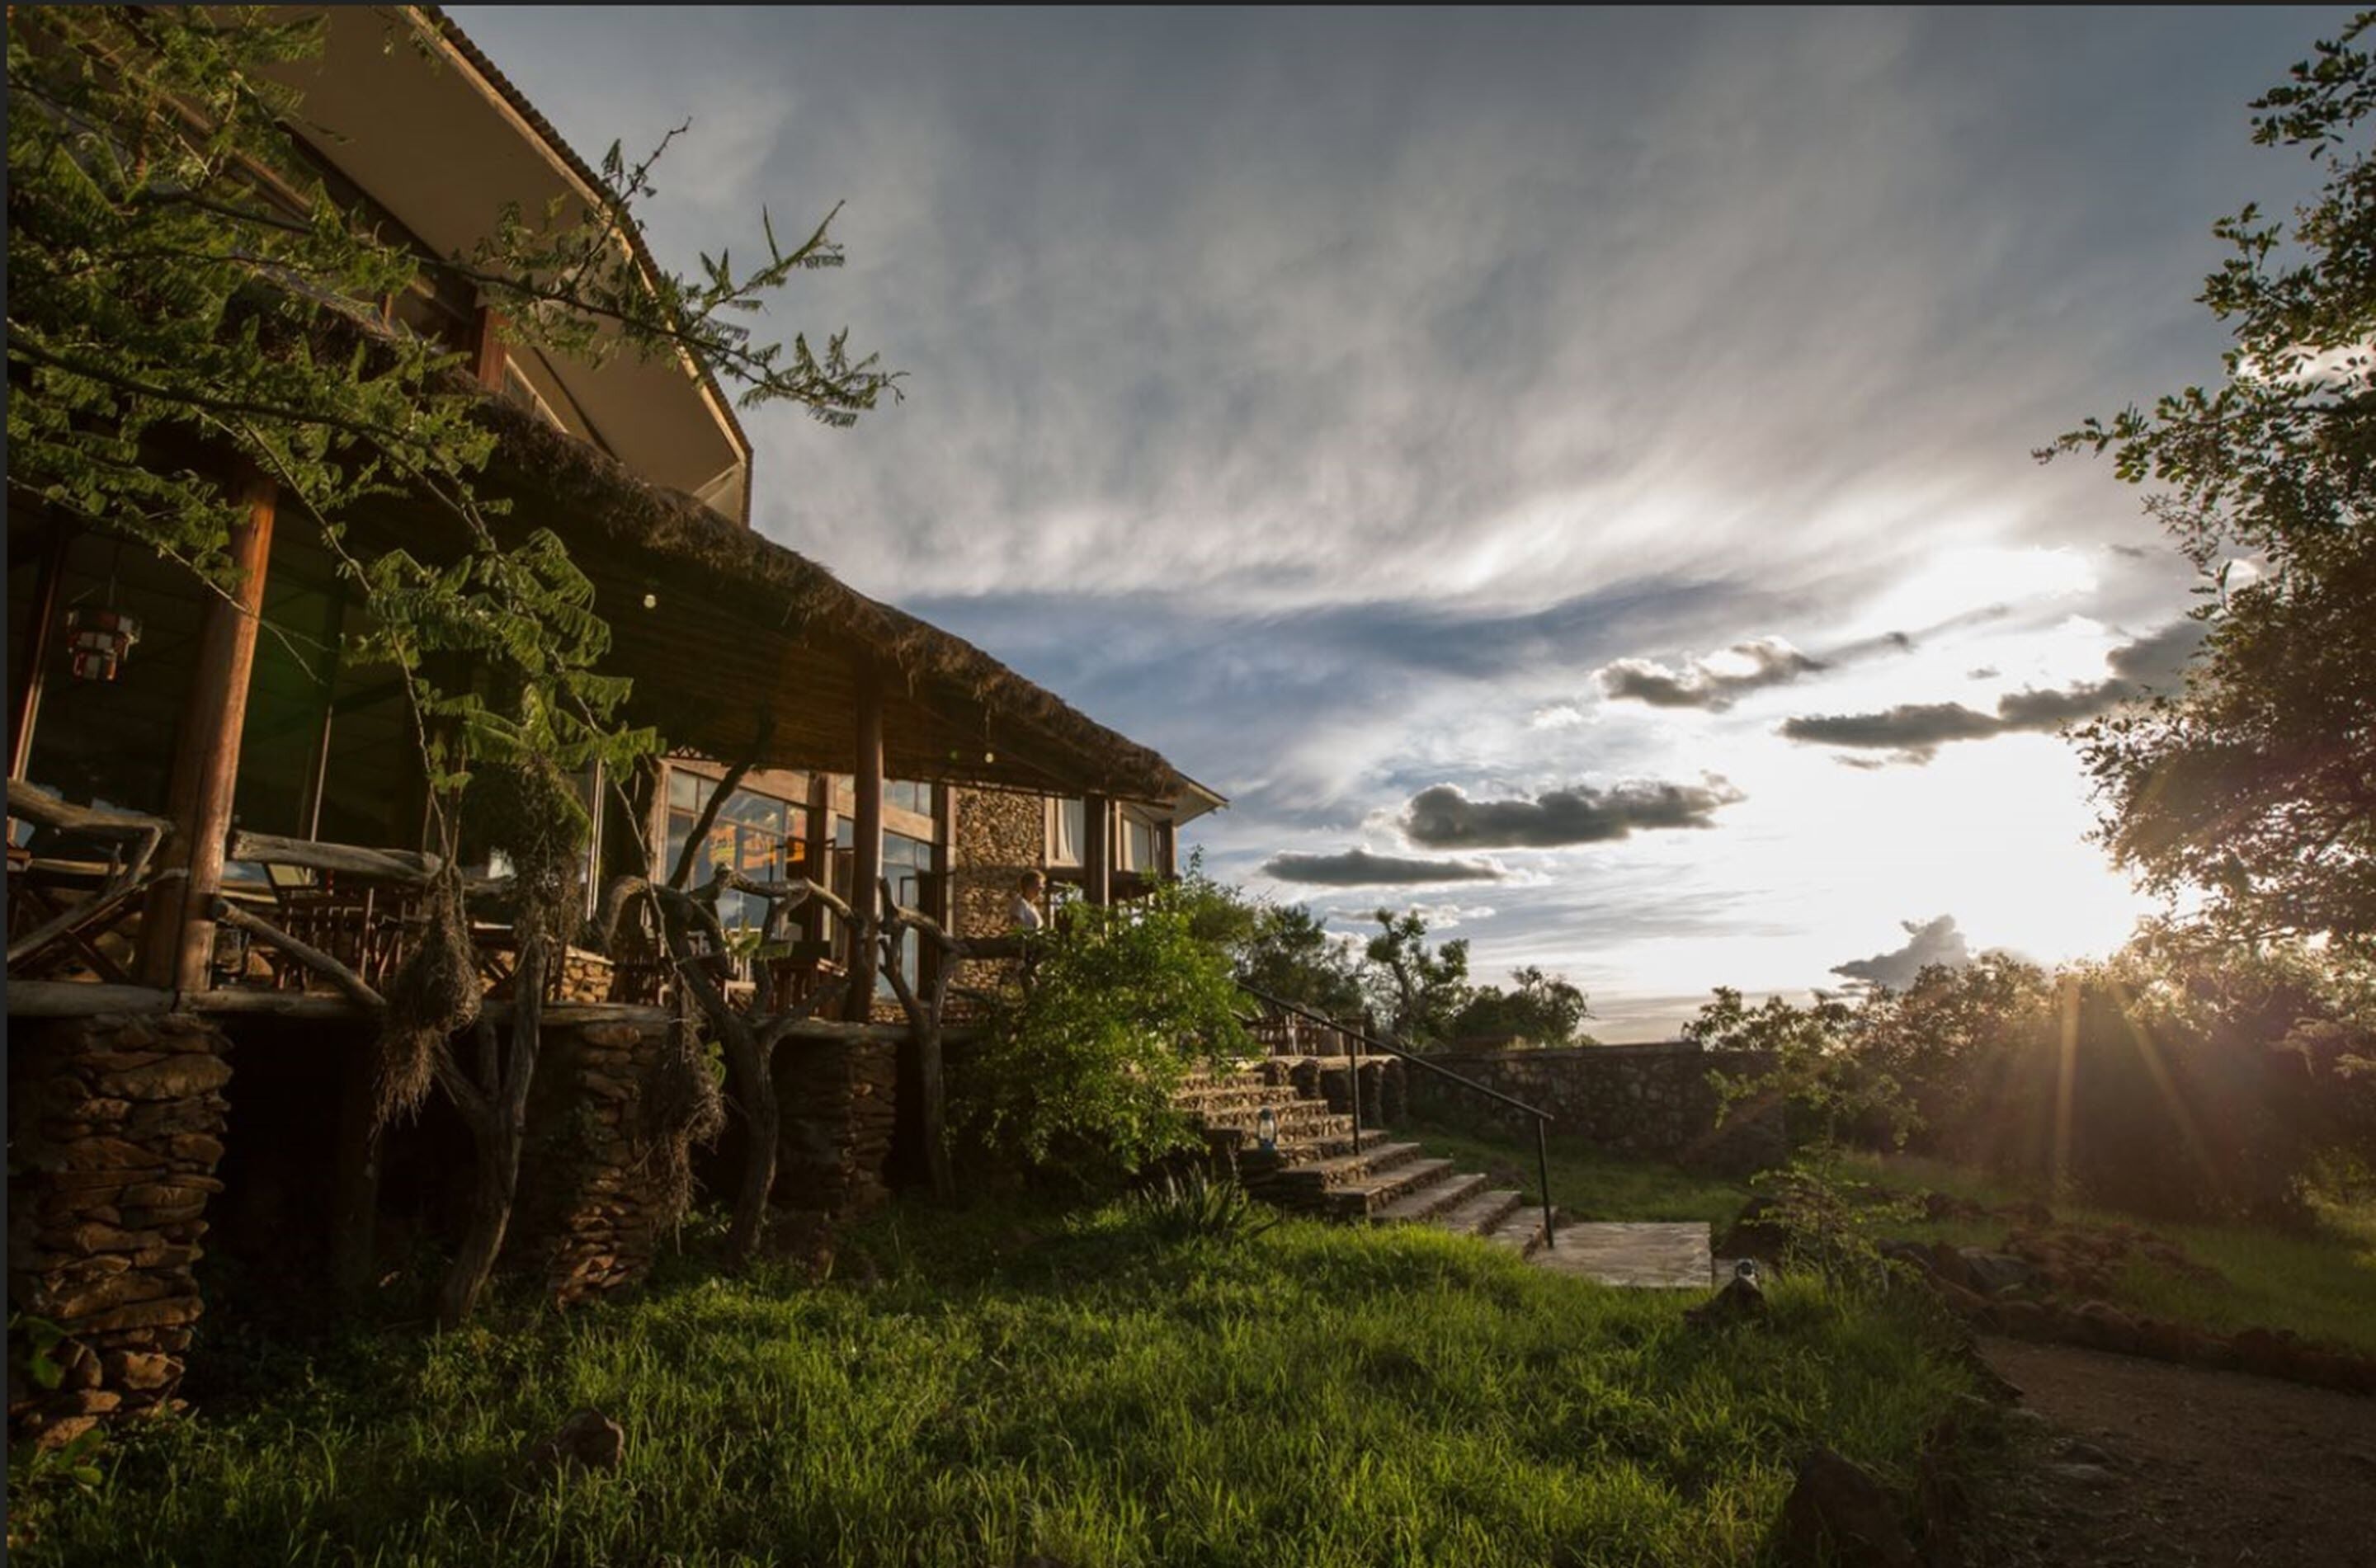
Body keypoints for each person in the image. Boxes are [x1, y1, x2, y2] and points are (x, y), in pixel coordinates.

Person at [1009, 869, 1046, 933]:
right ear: (1028, 886)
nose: (1040, 890)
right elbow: (1015, 926)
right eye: (1038, 886)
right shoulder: (1020, 903)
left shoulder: (1032, 906)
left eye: (1042, 887)